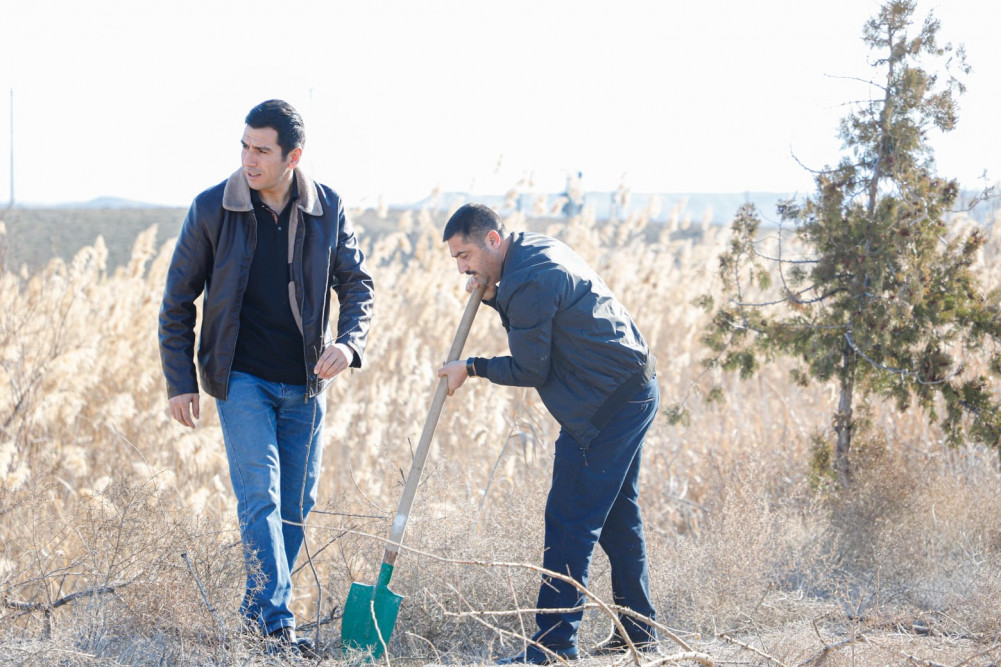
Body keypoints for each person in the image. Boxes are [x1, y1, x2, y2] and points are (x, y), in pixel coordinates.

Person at [158, 99, 374, 654]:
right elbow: (177, 300)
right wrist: (180, 380)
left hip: (305, 383)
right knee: (261, 498)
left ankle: (256, 620)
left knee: (297, 507)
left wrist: (349, 344)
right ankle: (279, 626)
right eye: (244, 147)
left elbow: (357, 286)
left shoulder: (327, 207)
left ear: (292, 157)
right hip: (242, 379)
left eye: (261, 150)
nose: (248, 160)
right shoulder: (213, 208)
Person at [438, 203, 659, 664]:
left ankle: (553, 647)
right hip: (632, 388)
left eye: (465, 255)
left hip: (606, 407)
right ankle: (639, 634)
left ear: (493, 240)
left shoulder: (528, 281)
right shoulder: (532, 250)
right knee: (618, 518)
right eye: (457, 260)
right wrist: (494, 292)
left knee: (568, 521)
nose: (462, 268)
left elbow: (529, 367)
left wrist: (471, 367)